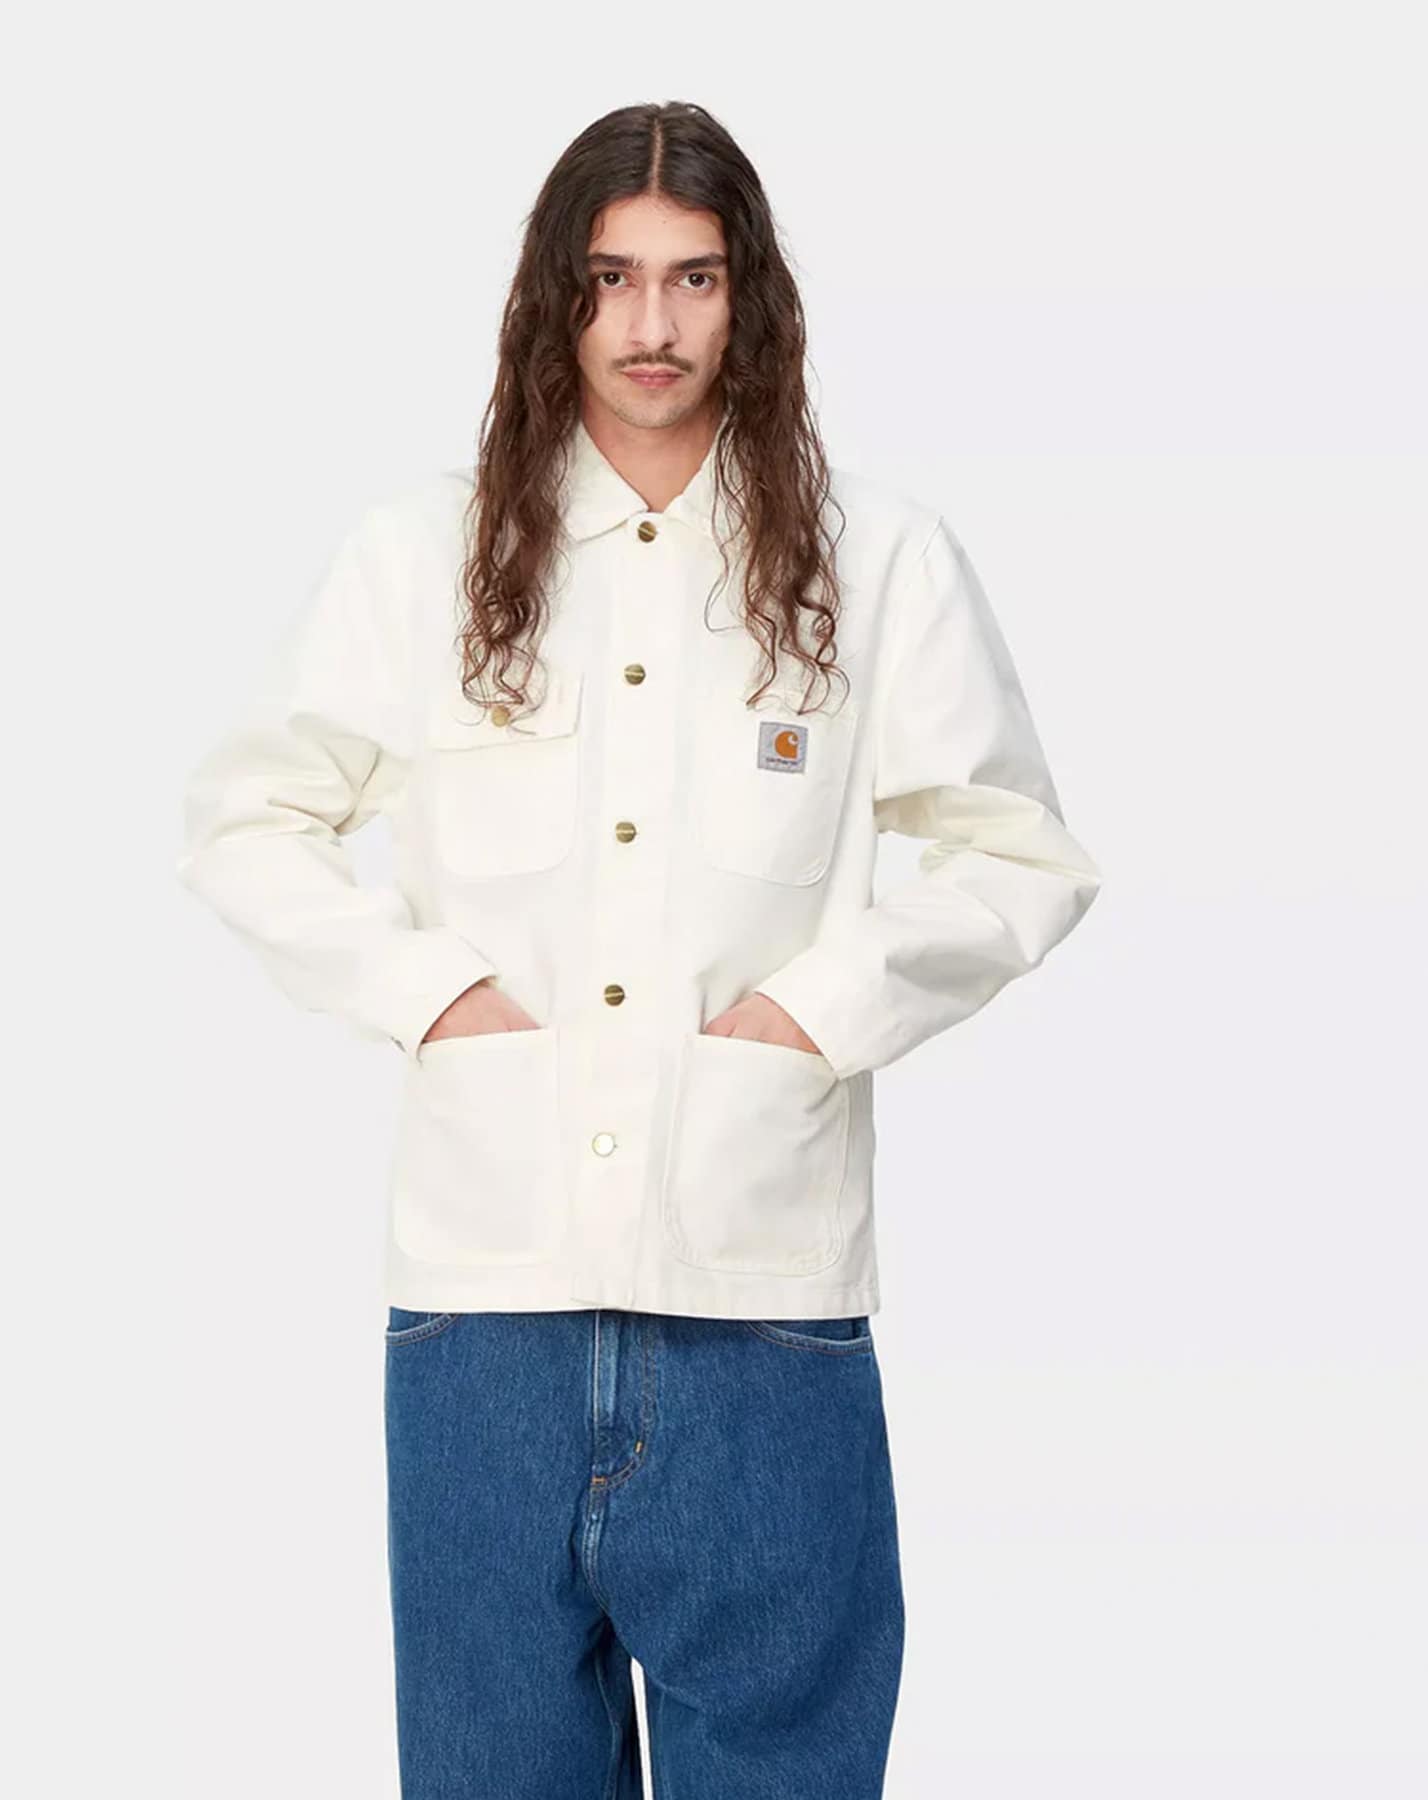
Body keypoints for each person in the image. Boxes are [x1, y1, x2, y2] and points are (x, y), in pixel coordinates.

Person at [176, 100, 1102, 1800]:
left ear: (752, 300)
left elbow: (1017, 853)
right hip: (487, 1312)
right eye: (611, 279)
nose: (653, 325)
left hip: (764, 1302)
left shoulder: (876, 563)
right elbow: (248, 818)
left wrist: (813, 1016)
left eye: (695, 278)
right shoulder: (426, 556)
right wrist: (433, 997)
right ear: (556, 297)